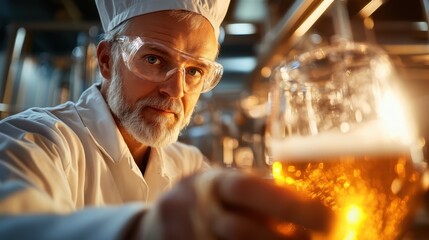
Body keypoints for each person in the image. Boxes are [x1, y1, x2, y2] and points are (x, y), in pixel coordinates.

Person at [0, 0, 333, 239]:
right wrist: (143, 230)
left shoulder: (190, 166)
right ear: (106, 60)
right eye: (154, 59)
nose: (176, 89)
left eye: (194, 71)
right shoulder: (35, 141)